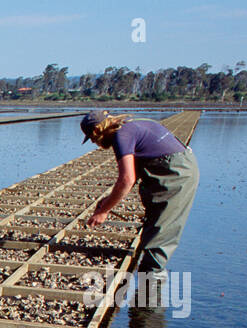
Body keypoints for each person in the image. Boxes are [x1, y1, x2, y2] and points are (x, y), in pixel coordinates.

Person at [80, 110, 199, 277]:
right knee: (155, 217)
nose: (95, 143)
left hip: (175, 174)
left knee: (161, 231)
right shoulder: (132, 126)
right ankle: (147, 282)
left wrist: (104, 211)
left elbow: (127, 179)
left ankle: (150, 287)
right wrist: (108, 200)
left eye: (92, 139)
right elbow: (133, 174)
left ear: (97, 131)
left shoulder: (121, 136)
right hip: (179, 165)